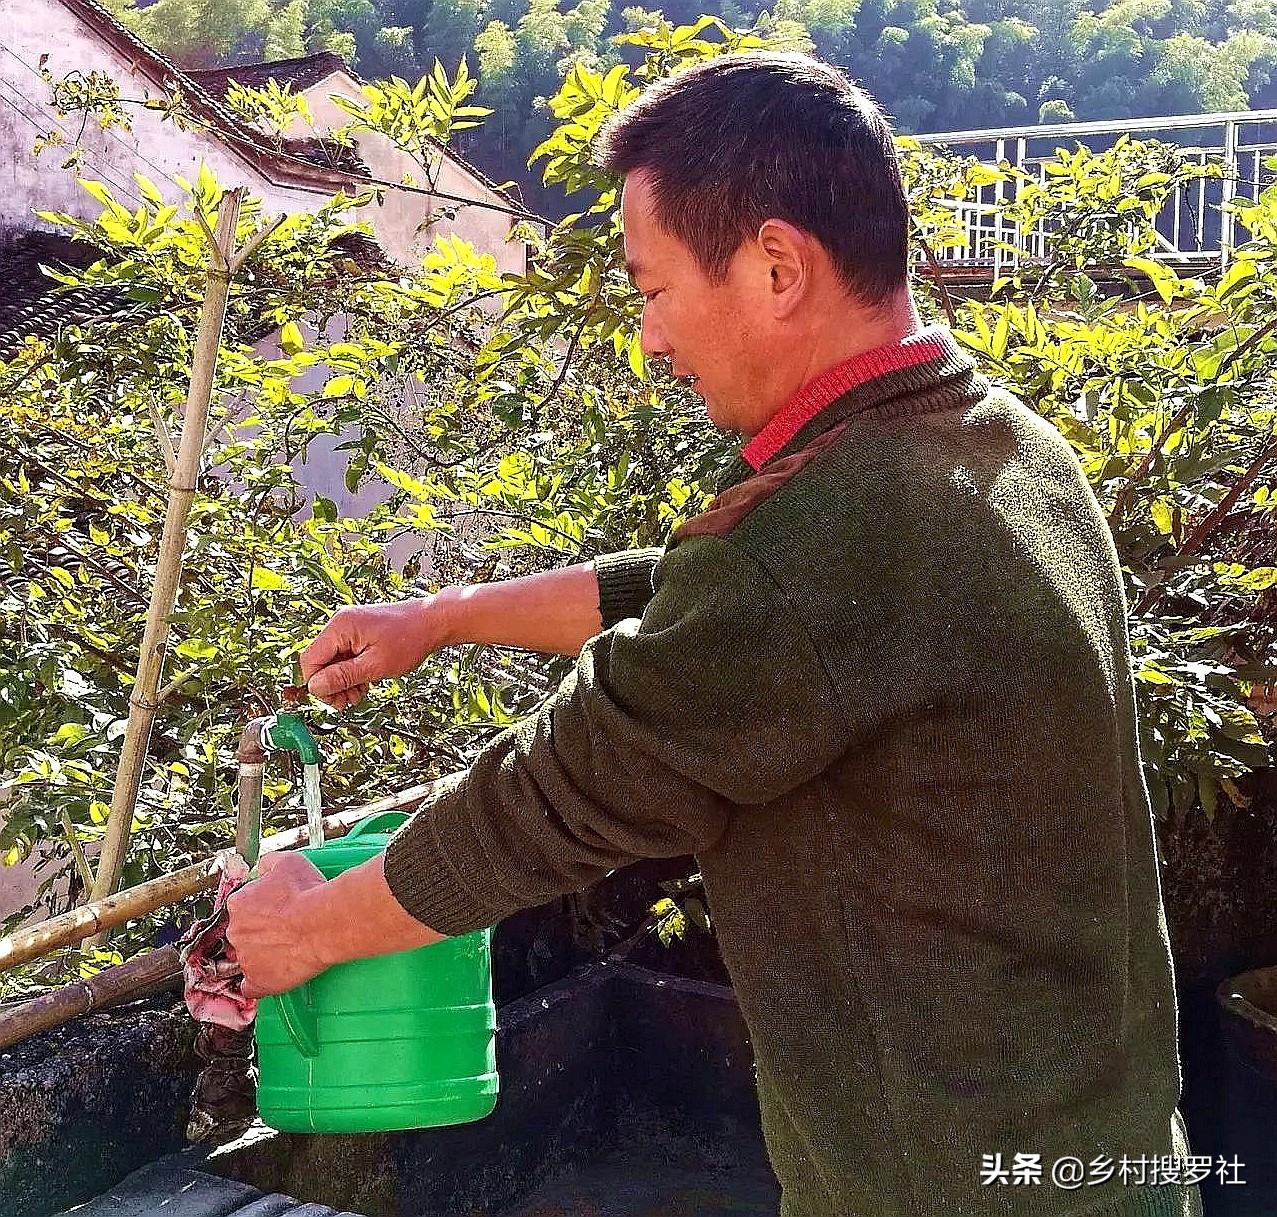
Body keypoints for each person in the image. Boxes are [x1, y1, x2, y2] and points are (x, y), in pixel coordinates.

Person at [227, 52, 1202, 1217]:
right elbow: (694, 597)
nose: (650, 339)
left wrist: (307, 931)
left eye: (651, 289)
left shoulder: (823, 543)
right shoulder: (998, 451)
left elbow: (559, 791)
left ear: (776, 264)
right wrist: (440, 617)